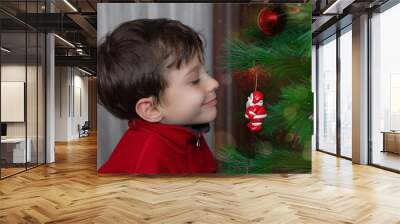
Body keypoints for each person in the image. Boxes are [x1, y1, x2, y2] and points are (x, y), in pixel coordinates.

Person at [97, 18, 219, 174]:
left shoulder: (188, 133)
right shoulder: (143, 166)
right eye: (195, 80)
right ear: (152, 109)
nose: (214, 83)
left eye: (206, 73)